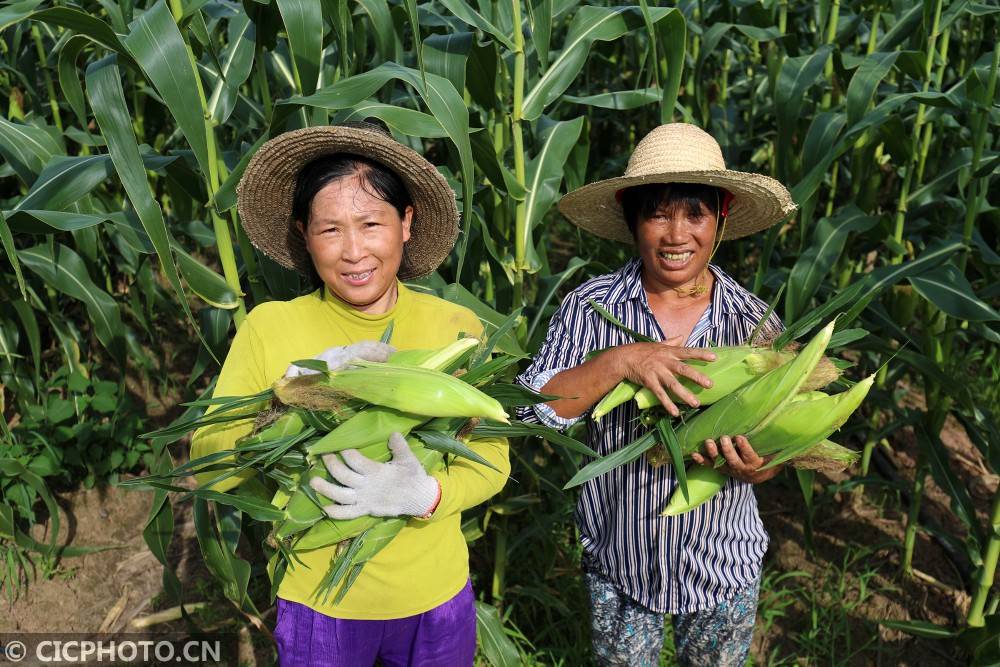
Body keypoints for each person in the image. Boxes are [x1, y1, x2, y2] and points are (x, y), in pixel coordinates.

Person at [191, 122, 510, 666]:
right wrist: (285, 395)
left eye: (371, 223)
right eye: (330, 230)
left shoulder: (456, 330)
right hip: (319, 606)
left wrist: (424, 496)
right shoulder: (271, 329)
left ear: (406, 223)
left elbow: (493, 462)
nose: (354, 251)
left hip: (434, 601)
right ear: (303, 233)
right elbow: (210, 466)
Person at [515, 123, 797, 666]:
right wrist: (621, 362)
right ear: (632, 221)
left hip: (722, 561)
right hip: (622, 558)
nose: (676, 234)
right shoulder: (592, 307)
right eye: (657, 214)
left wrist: (758, 466)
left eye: (694, 214)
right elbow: (535, 407)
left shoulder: (753, 322)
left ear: (721, 220)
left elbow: (776, 446)